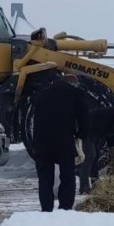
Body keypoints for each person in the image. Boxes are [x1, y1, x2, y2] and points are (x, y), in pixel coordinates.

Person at [32, 74, 89, 211]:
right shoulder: (76, 94)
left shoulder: (42, 93)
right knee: (67, 176)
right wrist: (81, 136)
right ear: (74, 84)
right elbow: (84, 119)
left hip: (41, 141)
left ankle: (46, 209)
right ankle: (65, 209)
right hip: (64, 141)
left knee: (45, 178)